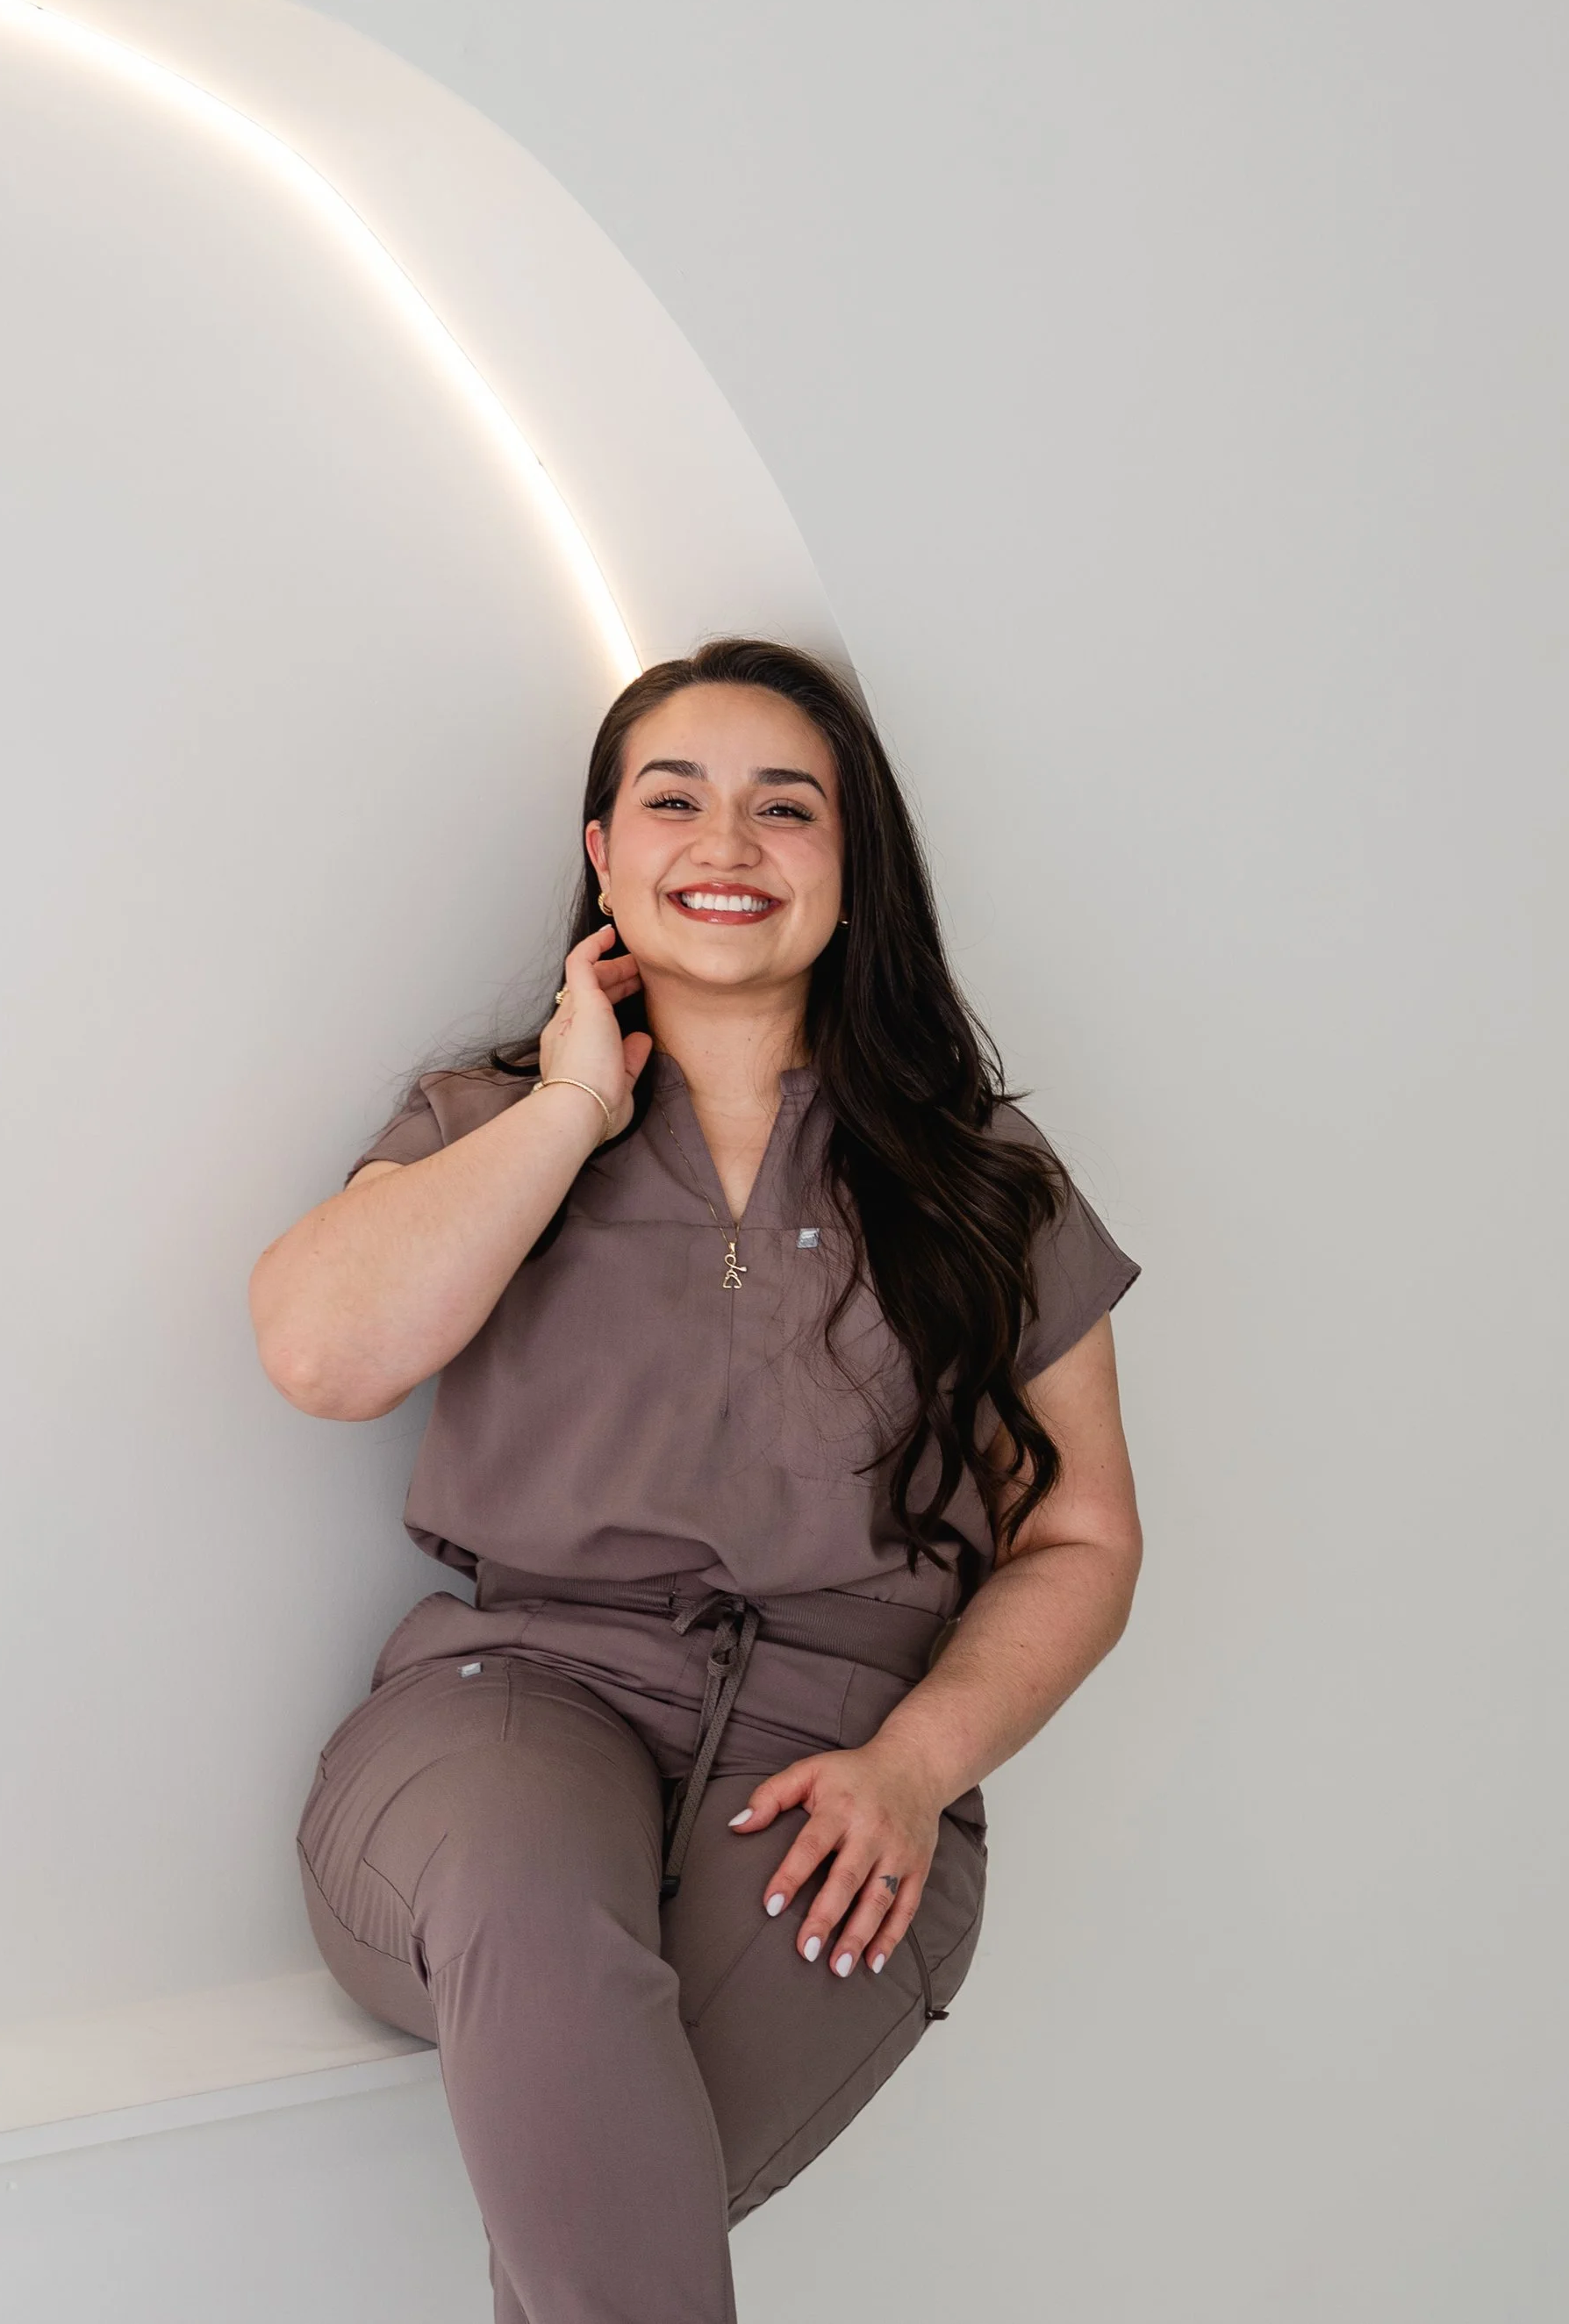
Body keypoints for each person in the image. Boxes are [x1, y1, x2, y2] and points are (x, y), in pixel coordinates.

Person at [249, 635, 1143, 2324]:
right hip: (505, 1707)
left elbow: (1083, 1531)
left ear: (854, 869)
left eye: (784, 809)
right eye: (674, 799)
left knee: (603, 2217)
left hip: (842, 1780)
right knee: (533, 1915)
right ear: (603, 853)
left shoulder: (984, 1186)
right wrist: (575, 1105)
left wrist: (915, 1762)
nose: (725, 844)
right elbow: (321, 1354)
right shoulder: (485, 1119)